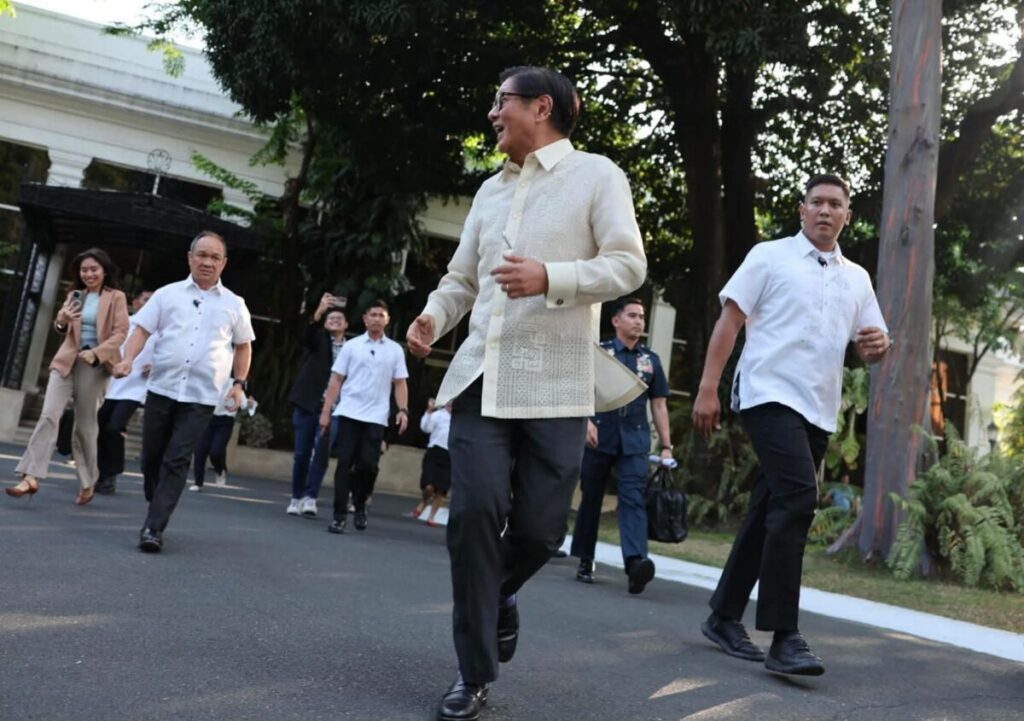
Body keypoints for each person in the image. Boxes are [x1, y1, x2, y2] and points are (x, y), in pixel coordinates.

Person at [406, 66, 646, 721]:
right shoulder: (488, 192)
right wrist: (434, 315)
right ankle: (473, 672)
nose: (492, 112)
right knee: (473, 515)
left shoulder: (599, 176)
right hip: (481, 381)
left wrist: (550, 276)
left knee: (542, 531)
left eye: (500, 99)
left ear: (542, 107)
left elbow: (629, 264)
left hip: (558, 384)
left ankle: (500, 593)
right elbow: (461, 280)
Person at [692, 174, 890, 677]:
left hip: (817, 407)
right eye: (817, 202)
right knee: (799, 497)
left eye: (836, 204)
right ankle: (784, 636)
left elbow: (872, 342)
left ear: (847, 215)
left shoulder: (857, 278)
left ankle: (722, 615)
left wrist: (876, 348)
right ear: (802, 211)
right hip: (766, 392)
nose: (825, 210)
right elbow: (729, 322)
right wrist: (708, 388)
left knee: (770, 506)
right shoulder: (768, 256)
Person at [113, 231, 254, 553]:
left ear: (224, 263)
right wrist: (127, 361)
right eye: (201, 255)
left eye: (214, 257)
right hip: (162, 388)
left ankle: (154, 527)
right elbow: (142, 331)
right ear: (190, 258)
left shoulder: (235, 304)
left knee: (177, 460)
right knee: (151, 457)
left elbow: (243, 346)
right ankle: (157, 502)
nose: (207, 262)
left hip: (202, 396)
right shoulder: (167, 295)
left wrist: (239, 383)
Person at [6, 248, 129, 505]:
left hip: (93, 367)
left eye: (93, 269)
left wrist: (96, 353)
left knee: (84, 427)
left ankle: (88, 480)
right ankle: (30, 476)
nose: (89, 274)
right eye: (84, 270)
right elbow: (63, 328)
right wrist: (61, 320)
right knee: (49, 415)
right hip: (66, 362)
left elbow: (120, 333)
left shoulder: (115, 296)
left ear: (104, 270)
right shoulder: (74, 295)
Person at [570, 297, 672, 592]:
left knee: (633, 499)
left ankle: (636, 564)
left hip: (635, 440)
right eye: (632, 316)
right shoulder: (601, 352)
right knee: (591, 498)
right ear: (616, 321)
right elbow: (581, 389)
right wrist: (586, 420)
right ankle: (585, 559)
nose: (639, 321)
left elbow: (660, 404)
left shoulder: (650, 360)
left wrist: (666, 445)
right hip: (599, 435)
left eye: (641, 316)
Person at [319, 299, 408, 534]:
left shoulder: (395, 350)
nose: (377, 318)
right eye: (373, 314)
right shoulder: (352, 346)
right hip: (349, 413)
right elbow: (336, 379)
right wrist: (326, 411)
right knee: (344, 465)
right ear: (365, 319)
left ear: (387, 320)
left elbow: (400, 383)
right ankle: (339, 515)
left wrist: (403, 410)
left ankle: (360, 503)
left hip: (376, 417)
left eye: (381, 315)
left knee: (368, 466)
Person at [286, 293, 348, 517]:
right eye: (330, 318)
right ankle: (296, 497)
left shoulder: (352, 348)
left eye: (339, 318)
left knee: (321, 454)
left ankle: (311, 497)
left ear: (346, 324)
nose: (334, 320)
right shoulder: (318, 339)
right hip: (307, 404)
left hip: (334, 409)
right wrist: (320, 310)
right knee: (302, 453)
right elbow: (307, 334)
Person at [95, 289, 155, 495]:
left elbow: (167, 355)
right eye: (146, 299)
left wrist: (154, 366)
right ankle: (100, 472)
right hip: (111, 383)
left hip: (135, 388)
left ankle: (111, 474)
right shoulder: (123, 324)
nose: (150, 304)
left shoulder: (161, 330)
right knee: (100, 427)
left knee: (114, 427)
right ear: (136, 302)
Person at [189, 387, 256, 491]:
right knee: (200, 451)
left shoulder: (235, 385)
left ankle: (220, 471)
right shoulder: (212, 381)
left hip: (225, 422)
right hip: (208, 418)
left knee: (216, 451)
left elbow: (243, 404)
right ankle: (198, 482)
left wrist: (250, 403)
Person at [412, 397, 453, 527]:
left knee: (442, 489)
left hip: (450, 455)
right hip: (434, 452)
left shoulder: (460, 419)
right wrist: (429, 411)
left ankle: (431, 516)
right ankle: (424, 501)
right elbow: (426, 428)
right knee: (429, 486)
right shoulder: (438, 415)